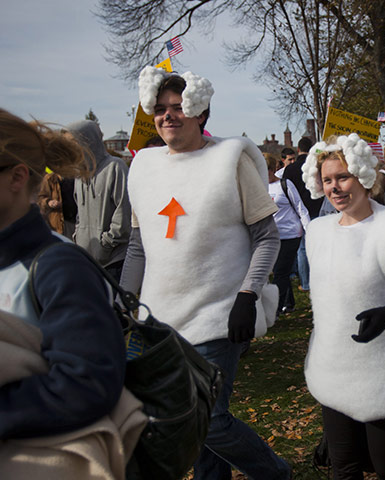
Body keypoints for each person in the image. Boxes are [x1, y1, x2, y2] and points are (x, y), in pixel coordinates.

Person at [125, 66, 291, 479]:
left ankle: (275, 474)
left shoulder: (230, 160)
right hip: (160, 321)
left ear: (200, 112)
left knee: (210, 420)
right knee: (188, 422)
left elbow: (267, 237)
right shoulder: (142, 166)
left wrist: (248, 295)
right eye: (161, 109)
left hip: (219, 314)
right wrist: (122, 303)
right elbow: (137, 247)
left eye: (179, 107)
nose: (168, 116)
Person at [0, 109, 143, 477]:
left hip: (106, 257)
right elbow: (81, 216)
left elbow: (87, 380)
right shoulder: (79, 181)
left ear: (16, 178)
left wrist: (94, 248)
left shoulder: (57, 267)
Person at [301, 133, 385, 480]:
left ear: (362, 176)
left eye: (342, 177)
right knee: (343, 466)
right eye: (327, 180)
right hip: (335, 369)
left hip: (384, 370)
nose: (335, 187)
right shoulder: (317, 232)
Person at [68, 120, 131, 282]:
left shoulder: (115, 167)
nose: (70, 147)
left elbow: (123, 212)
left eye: (73, 142)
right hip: (86, 258)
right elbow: (79, 214)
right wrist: (78, 237)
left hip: (112, 261)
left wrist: (106, 245)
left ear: (86, 140)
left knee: (112, 307)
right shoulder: (79, 174)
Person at [266, 152, 310, 315]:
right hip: (271, 235)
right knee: (280, 271)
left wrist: (309, 229)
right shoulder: (259, 187)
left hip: (290, 234)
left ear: (272, 170)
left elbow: (300, 207)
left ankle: (275, 309)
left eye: (266, 171)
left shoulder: (285, 184)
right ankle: (288, 302)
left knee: (280, 272)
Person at [283, 136, 320, 292]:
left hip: (297, 212)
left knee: (303, 250)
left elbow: (284, 191)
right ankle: (319, 279)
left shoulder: (290, 169)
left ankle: (305, 283)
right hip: (316, 209)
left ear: (298, 149)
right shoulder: (315, 165)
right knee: (318, 248)